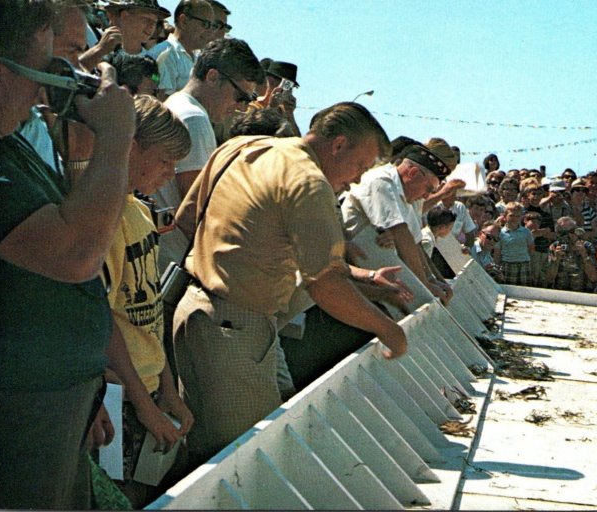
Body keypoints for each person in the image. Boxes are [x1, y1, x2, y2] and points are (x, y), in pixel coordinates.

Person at [173, 102, 407, 468]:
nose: (358, 179)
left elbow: (187, 218)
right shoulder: (309, 183)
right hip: (237, 332)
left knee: (202, 454)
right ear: (339, 145)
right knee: (240, 467)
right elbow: (325, 286)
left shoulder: (243, 147)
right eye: (361, 165)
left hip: (192, 312)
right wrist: (388, 329)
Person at [0, 1, 137, 507]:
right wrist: (117, 138)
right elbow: (78, 253)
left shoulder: (12, 145)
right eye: (41, 69)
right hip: (22, 410)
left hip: (54, 397)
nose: (43, 89)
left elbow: (80, 232)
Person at [101, 95, 194, 507]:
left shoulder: (139, 212)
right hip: (118, 394)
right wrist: (144, 405)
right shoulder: (103, 217)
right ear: (130, 144)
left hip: (148, 386)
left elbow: (151, 311)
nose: (170, 173)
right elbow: (100, 320)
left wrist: (168, 390)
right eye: (164, 161)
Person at [154, 37, 261, 270]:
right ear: (213, 77)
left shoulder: (177, 104)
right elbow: (195, 212)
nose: (242, 108)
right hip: (173, 260)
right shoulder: (195, 119)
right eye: (241, 97)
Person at [342, 143, 454, 305]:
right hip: (353, 279)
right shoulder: (381, 181)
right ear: (413, 173)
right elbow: (401, 234)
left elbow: (414, 245)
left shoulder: (409, 196)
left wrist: (434, 279)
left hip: (380, 281)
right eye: (428, 189)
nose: (426, 196)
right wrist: (425, 285)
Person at [149, 0, 216, 97]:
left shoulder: (199, 58)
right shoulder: (164, 53)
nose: (210, 32)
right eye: (205, 24)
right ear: (184, 21)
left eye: (212, 26)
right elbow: (164, 103)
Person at [544, 216, 597, 292]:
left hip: (583, 292)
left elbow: (593, 277)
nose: (571, 235)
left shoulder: (587, 246)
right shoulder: (555, 247)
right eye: (565, 233)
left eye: (573, 231)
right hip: (560, 291)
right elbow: (549, 279)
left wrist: (584, 255)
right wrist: (556, 260)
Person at [494, 202, 535, 286]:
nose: (515, 218)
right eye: (511, 215)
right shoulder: (500, 233)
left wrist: (529, 264)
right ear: (505, 216)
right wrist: (497, 269)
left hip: (524, 264)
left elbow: (531, 249)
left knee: (525, 290)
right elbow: (497, 253)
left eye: (518, 216)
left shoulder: (526, 232)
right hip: (507, 265)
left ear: (521, 217)